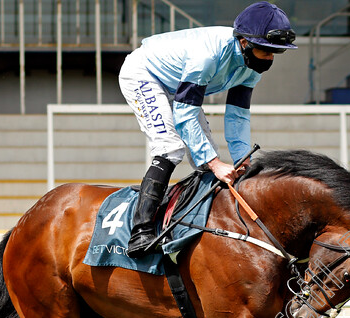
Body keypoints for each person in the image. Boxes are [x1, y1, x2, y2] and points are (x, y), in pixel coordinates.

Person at [118, 1, 297, 258]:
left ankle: (188, 224)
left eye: (275, 53)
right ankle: (141, 231)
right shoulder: (208, 56)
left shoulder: (250, 66)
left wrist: (242, 159)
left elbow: (238, 115)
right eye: (267, 51)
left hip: (177, 87)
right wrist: (215, 163)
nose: (270, 58)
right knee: (171, 149)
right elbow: (184, 113)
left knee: (207, 159)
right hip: (145, 75)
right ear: (245, 42)